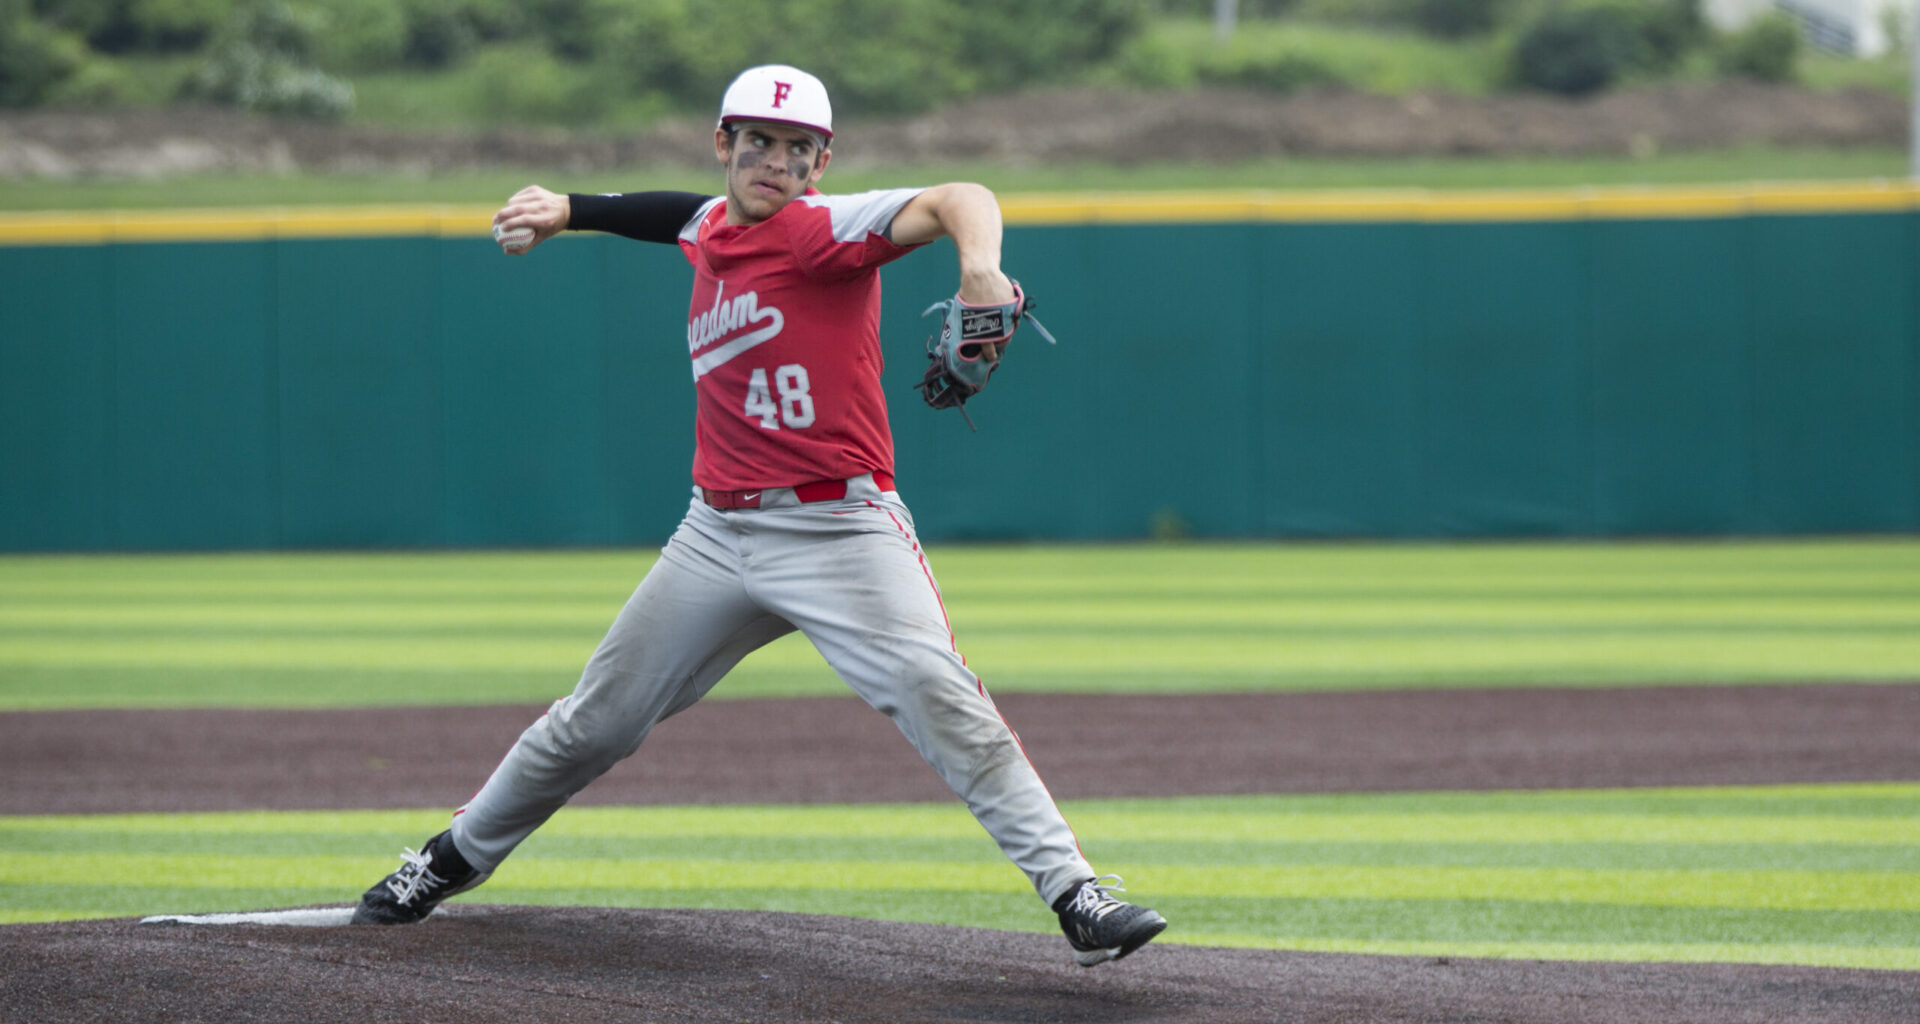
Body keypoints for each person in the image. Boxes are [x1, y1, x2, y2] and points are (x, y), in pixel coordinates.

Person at [349, 64, 1167, 968]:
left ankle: (1076, 894)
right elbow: (669, 215)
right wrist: (571, 208)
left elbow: (959, 193)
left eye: (796, 150)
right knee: (594, 723)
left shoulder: (828, 230)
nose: (775, 161)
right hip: (716, 534)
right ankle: (445, 861)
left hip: (840, 529)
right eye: (758, 141)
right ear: (724, 146)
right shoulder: (709, 225)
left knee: (940, 694)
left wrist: (980, 268)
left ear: (820, 165)